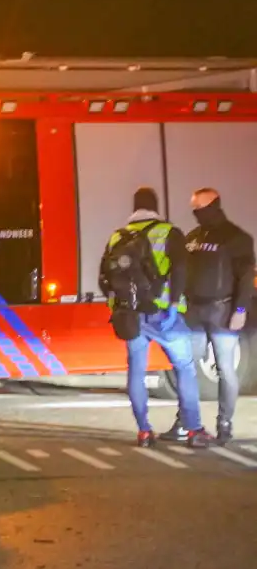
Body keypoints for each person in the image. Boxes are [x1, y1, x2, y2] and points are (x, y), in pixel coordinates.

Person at [98, 187, 211, 448]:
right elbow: (181, 270)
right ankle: (193, 429)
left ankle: (144, 431)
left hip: (131, 316)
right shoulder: (168, 232)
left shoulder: (117, 237)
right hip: (163, 315)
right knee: (184, 368)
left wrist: (119, 307)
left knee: (136, 371)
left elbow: (104, 279)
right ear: (155, 205)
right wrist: (173, 304)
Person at [161, 188, 254, 444]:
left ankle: (224, 424)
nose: (197, 214)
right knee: (186, 367)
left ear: (214, 205)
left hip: (222, 311)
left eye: (201, 208)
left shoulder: (237, 238)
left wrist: (240, 310)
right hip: (194, 312)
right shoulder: (193, 237)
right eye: (194, 209)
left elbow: (245, 278)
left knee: (225, 368)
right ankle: (185, 422)